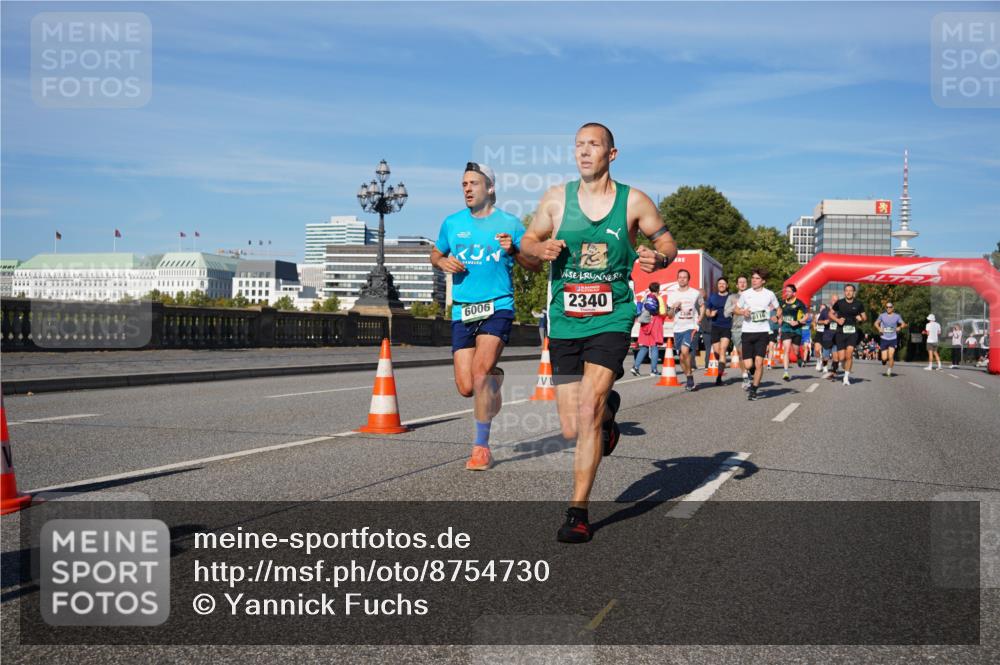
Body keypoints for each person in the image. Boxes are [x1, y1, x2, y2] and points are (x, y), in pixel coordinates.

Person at [521, 122, 677, 544]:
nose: (584, 151)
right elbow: (528, 241)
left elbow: (668, 244)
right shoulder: (556, 198)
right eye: (579, 145)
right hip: (564, 319)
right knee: (572, 426)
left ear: (612, 154)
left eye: (594, 145)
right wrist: (539, 248)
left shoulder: (633, 201)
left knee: (587, 410)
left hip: (612, 317)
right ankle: (610, 415)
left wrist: (659, 259)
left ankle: (578, 512)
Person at [431, 162, 542, 471]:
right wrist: (441, 262)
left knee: (479, 374)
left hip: (498, 306)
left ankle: (481, 448)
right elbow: (435, 253)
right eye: (464, 184)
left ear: (490, 188)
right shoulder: (452, 223)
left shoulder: (511, 223)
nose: (467, 189)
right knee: (466, 387)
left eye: (474, 183)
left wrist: (514, 251)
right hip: (462, 309)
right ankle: (495, 378)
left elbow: (535, 264)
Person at [735, 267, 780, 401]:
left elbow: (779, 309)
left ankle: (754, 390)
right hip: (747, 331)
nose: (754, 281)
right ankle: (753, 373)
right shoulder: (745, 294)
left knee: (759, 363)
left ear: (763, 281)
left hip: (762, 332)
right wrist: (743, 312)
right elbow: (736, 309)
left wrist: (776, 317)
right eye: (753, 278)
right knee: (749, 365)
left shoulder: (769, 294)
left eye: (757, 279)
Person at [665, 269, 705, 391]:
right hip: (678, 328)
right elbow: (669, 315)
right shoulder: (672, 295)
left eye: (684, 277)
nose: (682, 279)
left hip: (691, 327)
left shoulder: (695, 293)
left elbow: (702, 305)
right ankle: (689, 376)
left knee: (685, 350)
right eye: (680, 277)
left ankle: (690, 379)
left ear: (688, 279)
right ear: (677, 279)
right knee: (681, 357)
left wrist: (700, 318)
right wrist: (673, 307)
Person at [829, 284, 867, 385]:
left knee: (849, 354)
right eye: (846, 290)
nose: (848, 292)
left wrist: (861, 318)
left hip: (852, 332)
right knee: (842, 358)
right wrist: (837, 320)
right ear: (844, 292)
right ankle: (845, 367)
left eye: (850, 290)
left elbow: (865, 317)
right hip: (840, 332)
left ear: (854, 292)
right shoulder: (839, 303)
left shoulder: (858, 304)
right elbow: (830, 314)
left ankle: (846, 377)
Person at [631, 282, 666, 376]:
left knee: (644, 346)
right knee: (654, 347)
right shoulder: (659, 298)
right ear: (658, 289)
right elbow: (662, 312)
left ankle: (635, 367)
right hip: (654, 323)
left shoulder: (645, 297)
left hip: (645, 324)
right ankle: (654, 370)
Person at [705, 277, 734, 386]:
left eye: (723, 283)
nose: (721, 285)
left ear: (727, 285)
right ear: (717, 286)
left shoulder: (731, 297)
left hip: (727, 326)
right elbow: (707, 310)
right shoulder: (713, 297)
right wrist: (710, 314)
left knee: (722, 350)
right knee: (717, 352)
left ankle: (719, 377)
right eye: (720, 284)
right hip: (715, 327)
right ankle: (721, 364)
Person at [777, 284, 808, 382]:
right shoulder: (782, 302)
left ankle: (799, 357)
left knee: (796, 350)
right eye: (786, 291)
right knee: (786, 349)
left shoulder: (799, 303)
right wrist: (779, 318)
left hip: (796, 330)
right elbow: (779, 312)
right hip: (785, 329)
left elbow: (806, 316)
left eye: (789, 291)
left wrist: (797, 322)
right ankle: (786, 372)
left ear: (794, 293)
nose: (786, 293)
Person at [728, 275, 750, 388]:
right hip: (737, 328)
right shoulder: (732, 297)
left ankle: (750, 369)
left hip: (751, 327)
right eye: (740, 282)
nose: (742, 284)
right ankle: (745, 375)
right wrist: (736, 307)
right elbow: (726, 312)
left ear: (747, 284)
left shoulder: (752, 296)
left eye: (744, 282)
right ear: (737, 285)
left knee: (750, 353)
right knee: (741, 353)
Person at [875, 302, 907, 376]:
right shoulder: (882, 315)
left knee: (891, 356)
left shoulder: (897, 316)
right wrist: (879, 328)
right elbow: (876, 323)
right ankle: (884, 361)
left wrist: (900, 327)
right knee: (884, 358)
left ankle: (889, 370)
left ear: (893, 308)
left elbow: (903, 324)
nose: (888, 308)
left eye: (890, 307)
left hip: (893, 338)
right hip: (884, 338)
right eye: (887, 307)